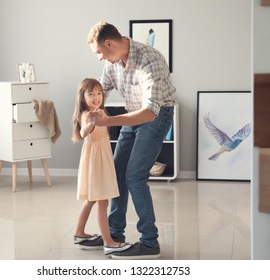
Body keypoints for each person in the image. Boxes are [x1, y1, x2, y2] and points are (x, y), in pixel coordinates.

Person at [85, 21, 178, 259]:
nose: (99, 58)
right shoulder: (112, 64)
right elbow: (99, 93)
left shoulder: (150, 59)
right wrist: (85, 115)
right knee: (116, 175)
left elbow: (150, 112)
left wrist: (107, 122)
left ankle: (150, 243)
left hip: (156, 116)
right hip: (132, 114)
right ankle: (114, 236)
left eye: (98, 53)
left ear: (109, 43)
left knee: (135, 176)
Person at [71, 78, 132, 256]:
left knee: (92, 200)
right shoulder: (87, 115)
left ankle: (79, 233)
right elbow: (83, 132)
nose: (96, 97)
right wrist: (93, 122)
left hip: (101, 160)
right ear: (83, 98)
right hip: (95, 163)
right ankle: (109, 242)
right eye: (91, 94)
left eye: (99, 93)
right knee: (102, 202)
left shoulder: (100, 112)